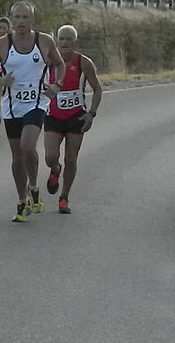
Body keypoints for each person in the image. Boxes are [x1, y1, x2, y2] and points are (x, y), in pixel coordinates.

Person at [0, 2, 66, 222]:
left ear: (32, 20)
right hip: (12, 106)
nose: (21, 22)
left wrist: (57, 85)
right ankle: (23, 200)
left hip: (37, 103)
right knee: (17, 156)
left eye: (25, 17)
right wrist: (1, 79)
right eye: (17, 17)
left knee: (27, 146)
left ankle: (34, 185)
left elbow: (60, 64)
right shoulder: (3, 44)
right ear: (12, 20)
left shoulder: (44, 41)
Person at [44, 25, 102, 214]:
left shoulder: (84, 63)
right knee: (50, 156)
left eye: (69, 39)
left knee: (71, 157)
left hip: (76, 117)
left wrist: (91, 114)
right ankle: (55, 169)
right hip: (53, 115)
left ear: (75, 42)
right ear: (56, 41)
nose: (65, 43)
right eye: (62, 39)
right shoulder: (49, 62)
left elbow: (97, 89)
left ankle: (64, 197)